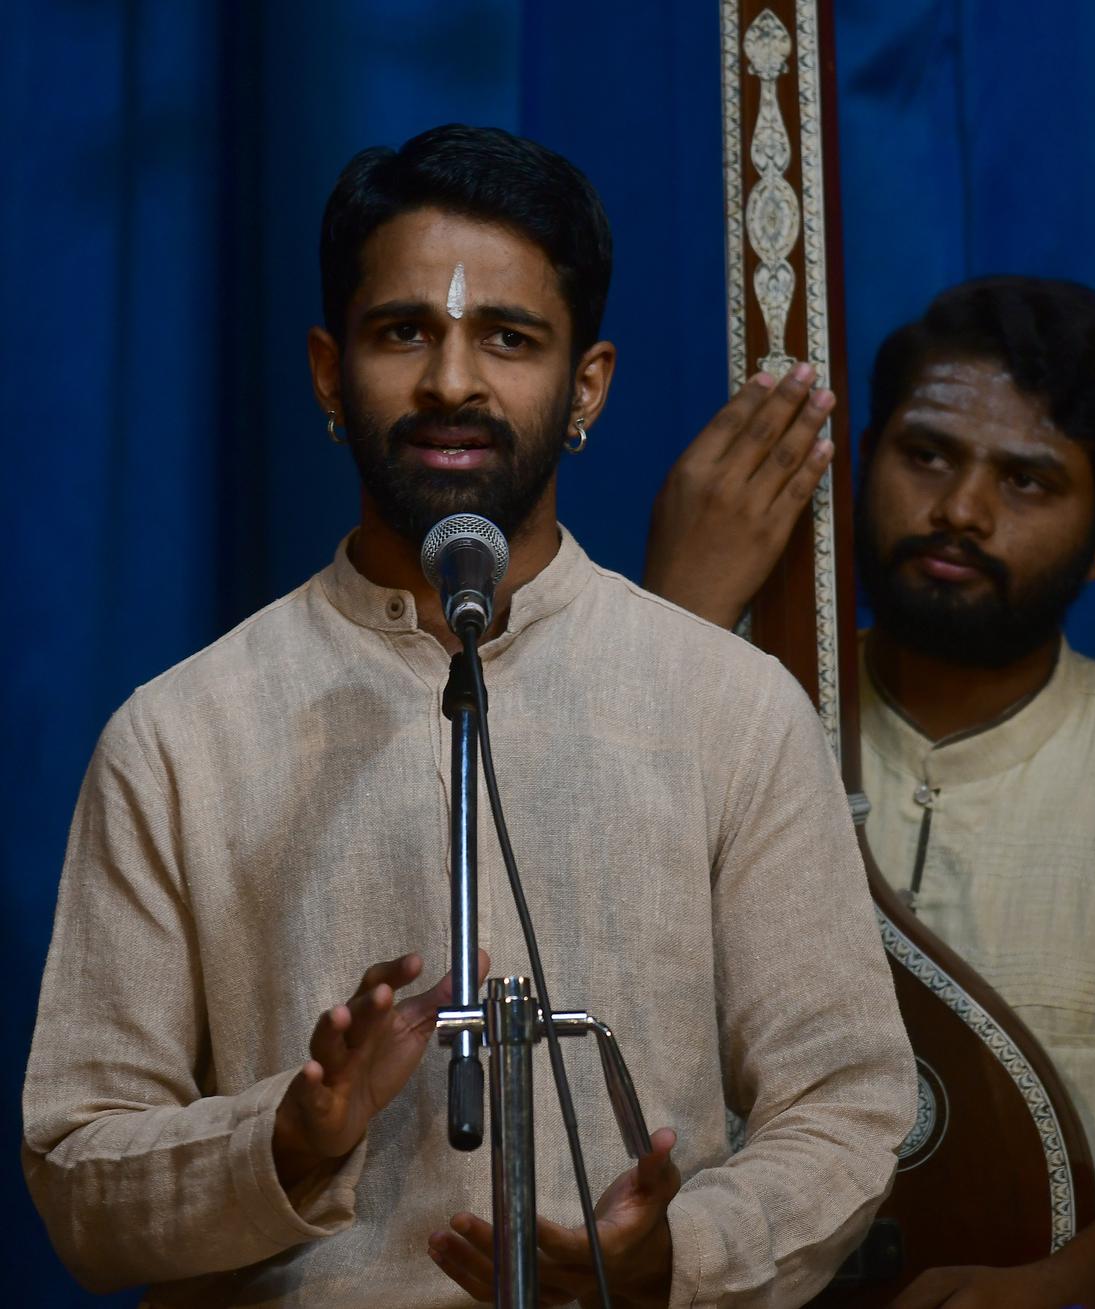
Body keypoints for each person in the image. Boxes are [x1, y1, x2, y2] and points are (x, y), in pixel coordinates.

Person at [22, 125, 916, 1308]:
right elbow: (78, 1172)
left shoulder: (730, 711)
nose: (453, 380)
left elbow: (847, 1107)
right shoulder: (181, 735)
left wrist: (672, 1260)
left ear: (584, 384)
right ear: (330, 373)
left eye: (508, 337)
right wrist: (285, 1139)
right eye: (405, 332)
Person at [645, 275, 1095, 1308]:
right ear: (855, 463)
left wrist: (1048, 1292)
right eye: (927, 455)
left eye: (1028, 481)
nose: (960, 511)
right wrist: (672, 626)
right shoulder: (735, 715)